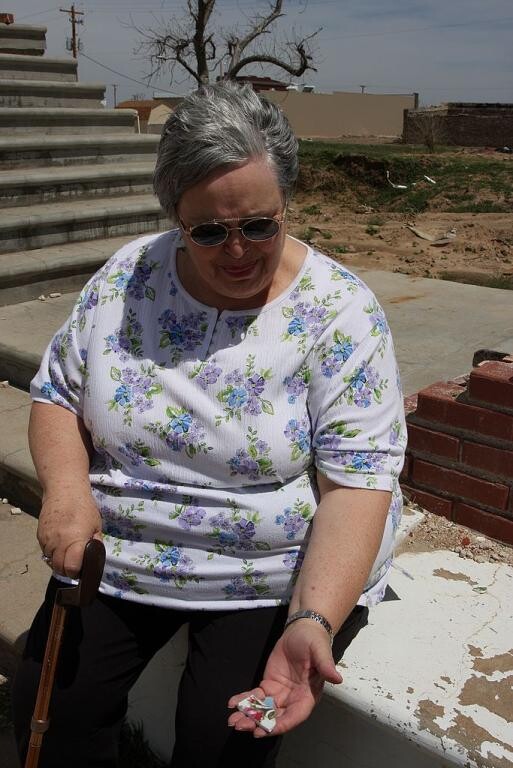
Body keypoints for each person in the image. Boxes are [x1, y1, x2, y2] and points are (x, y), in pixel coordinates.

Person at [12, 81, 406, 768]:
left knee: (220, 748)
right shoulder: (126, 278)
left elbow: (357, 483)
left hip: (267, 570)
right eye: (208, 231)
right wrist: (67, 493)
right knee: (52, 719)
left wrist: (313, 620)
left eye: (259, 224)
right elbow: (57, 394)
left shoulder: (340, 313)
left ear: (286, 205)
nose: (236, 251)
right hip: (121, 550)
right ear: (173, 215)